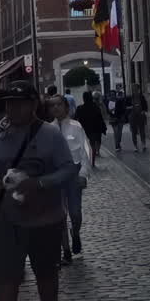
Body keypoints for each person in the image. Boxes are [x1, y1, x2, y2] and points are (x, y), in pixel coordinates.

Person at [0, 82, 77, 301]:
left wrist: (39, 183)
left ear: (33, 105)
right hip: (6, 222)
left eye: (20, 103)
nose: (13, 108)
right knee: (5, 280)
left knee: (46, 274)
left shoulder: (50, 135)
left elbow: (67, 169)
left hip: (45, 219)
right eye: (9, 103)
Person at [50, 95, 91, 265]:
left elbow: (86, 150)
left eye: (59, 105)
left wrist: (83, 173)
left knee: (75, 213)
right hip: (56, 175)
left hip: (74, 174)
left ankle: (75, 233)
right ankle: (65, 251)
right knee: (59, 215)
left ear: (66, 107)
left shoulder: (76, 127)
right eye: (52, 106)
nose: (56, 108)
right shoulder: (48, 130)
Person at [74, 91, 106, 166]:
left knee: (83, 145)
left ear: (83, 98)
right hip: (94, 129)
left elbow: (75, 119)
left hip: (83, 129)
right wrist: (103, 127)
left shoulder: (80, 108)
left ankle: (84, 160)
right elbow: (100, 118)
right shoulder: (95, 107)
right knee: (92, 145)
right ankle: (93, 163)